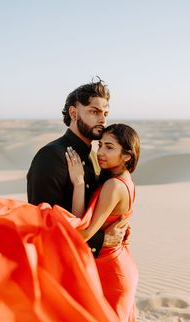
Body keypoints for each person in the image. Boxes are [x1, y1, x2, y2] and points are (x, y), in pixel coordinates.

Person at [54, 123, 141, 322]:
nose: (101, 152)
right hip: (116, 262)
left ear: (127, 156)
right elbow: (86, 221)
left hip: (112, 271)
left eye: (109, 147)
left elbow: (83, 234)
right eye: (100, 145)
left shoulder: (114, 185)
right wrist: (80, 184)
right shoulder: (124, 180)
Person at [27, 78, 128, 258]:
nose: (102, 119)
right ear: (74, 113)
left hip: (89, 262)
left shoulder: (96, 156)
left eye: (105, 113)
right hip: (58, 264)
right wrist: (101, 240)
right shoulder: (51, 156)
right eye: (94, 111)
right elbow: (43, 223)